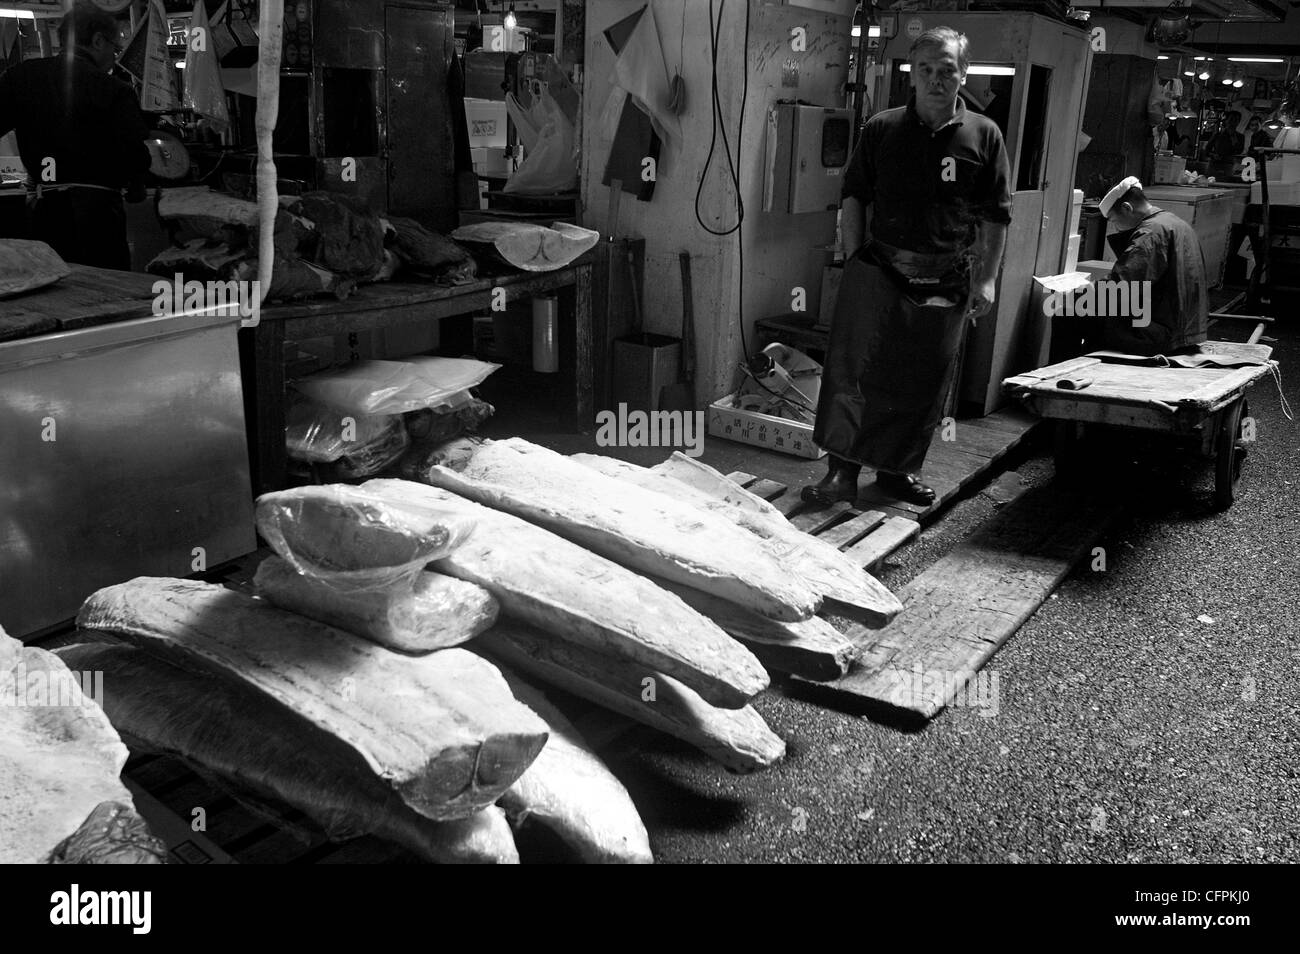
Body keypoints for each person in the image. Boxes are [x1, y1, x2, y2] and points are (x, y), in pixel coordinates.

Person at [803, 26, 1011, 506]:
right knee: (855, 373)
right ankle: (841, 473)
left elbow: (996, 215)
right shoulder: (882, 128)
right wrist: (855, 258)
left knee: (920, 379)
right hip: (878, 271)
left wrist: (986, 279)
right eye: (926, 70)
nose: (937, 80)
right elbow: (855, 192)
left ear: (963, 76)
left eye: (947, 71)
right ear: (912, 75)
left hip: (947, 278)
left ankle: (896, 471)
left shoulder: (984, 135)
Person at [0, 1, 150, 270]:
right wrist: (136, 186)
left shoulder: (20, 78)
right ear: (97, 40)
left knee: (55, 287)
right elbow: (135, 156)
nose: (115, 58)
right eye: (115, 49)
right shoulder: (114, 89)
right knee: (109, 292)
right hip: (99, 216)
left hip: (45, 212)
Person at [1079, 176, 1208, 356]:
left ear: (1127, 208)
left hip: (1161, 335)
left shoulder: (1149, 233)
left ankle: (1056, 374)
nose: (1116, 229)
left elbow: (1120, 287)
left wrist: (1082, 291)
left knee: (1068, 311)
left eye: (1114, 221)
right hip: (1186, 332)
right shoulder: (1177, 223)